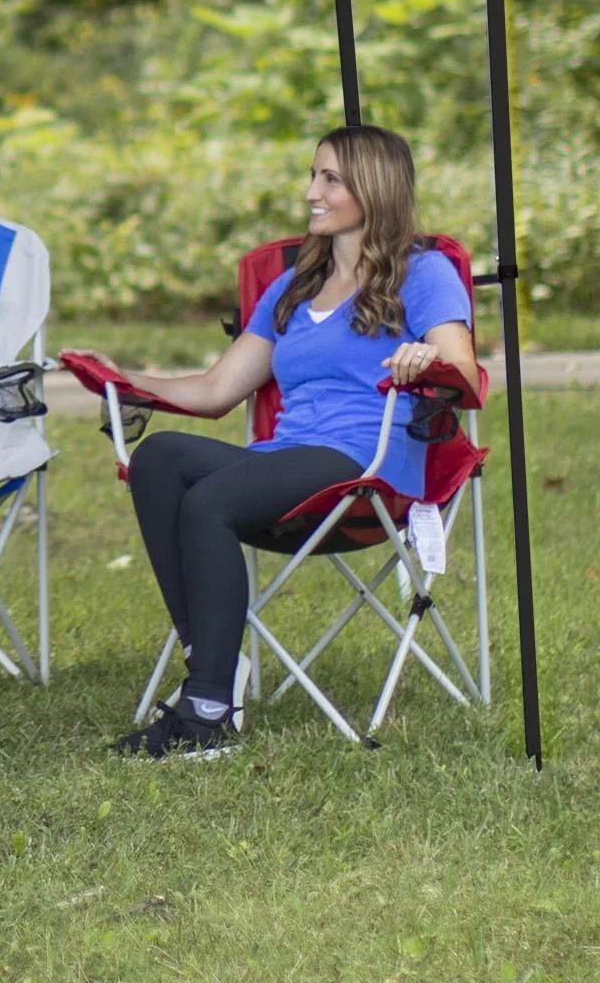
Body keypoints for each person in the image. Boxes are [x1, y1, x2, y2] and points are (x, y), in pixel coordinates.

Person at [90, 124, 476, 759]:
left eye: (329, 179)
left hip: (365, 465)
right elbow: (218, 390)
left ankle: (206, 715)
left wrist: (421, 357)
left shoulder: (423, 272)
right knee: (159, 459)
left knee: (210, 499)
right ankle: (212, 667)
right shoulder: (296, 284)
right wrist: (123, 378)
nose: (310, 193)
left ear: (373, 190)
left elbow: (462, 372)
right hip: (286, 461)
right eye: (312, 176)